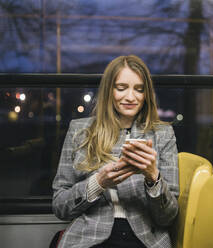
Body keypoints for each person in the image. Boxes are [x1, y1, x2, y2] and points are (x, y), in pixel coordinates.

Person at [52, 55, 179, 248]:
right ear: (109, 91)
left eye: (139, 89)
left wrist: (153, 178)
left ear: (146, 94)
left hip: (145, 238)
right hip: (89, 237)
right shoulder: (79, 130)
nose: (130, 97)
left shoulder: (163, 134)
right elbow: (60, 206)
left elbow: (168, 217)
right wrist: (98, 183)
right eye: (121, 88)